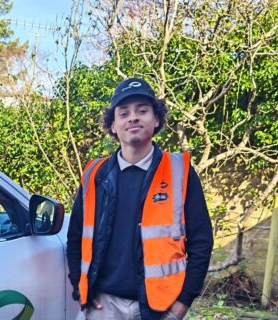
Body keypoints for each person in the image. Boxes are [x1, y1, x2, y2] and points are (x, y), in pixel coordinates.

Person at [66, 78, 214, 319]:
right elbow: (75, 238)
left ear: (155, 120)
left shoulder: (180, 171)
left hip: (161, 309)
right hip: (103, 306)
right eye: (123, 113)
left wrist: (184, 301)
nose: (133, 117)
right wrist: (80, 290)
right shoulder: (94, 174)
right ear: (113, 125)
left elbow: (201, 241)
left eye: (142, 111)